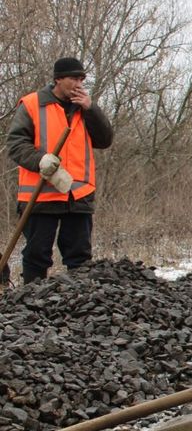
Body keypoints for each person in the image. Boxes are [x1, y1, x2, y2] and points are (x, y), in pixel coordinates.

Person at [7, 57, 113, 284]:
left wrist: (91, 109)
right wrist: (40, 160)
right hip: (41, 194)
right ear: (58, 79)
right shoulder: (32, 104)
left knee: (80, 258)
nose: (79, 84)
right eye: (74, 78)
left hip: (78, 195)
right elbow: (15, 144)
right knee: (37, 256)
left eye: (82, 79)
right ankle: (31, 306)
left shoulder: (84, 108)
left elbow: (105, 140)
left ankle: (83, 306)